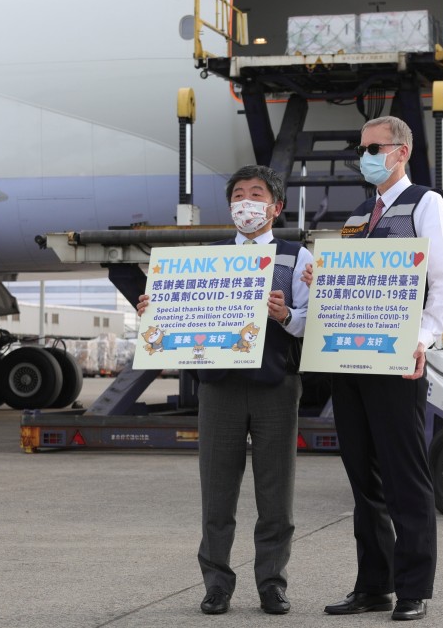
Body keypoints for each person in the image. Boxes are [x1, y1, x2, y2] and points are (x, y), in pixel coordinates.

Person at [137, 165, 312, 616]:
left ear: (276, 206)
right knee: (217, 494)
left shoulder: (297, 257)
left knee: (277, 495)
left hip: (276, 385)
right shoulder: (205, 258)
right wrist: (153, 311)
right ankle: (217, 584)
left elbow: (315, 323)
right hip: (218, 388)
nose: (246, 202)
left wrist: (285, 316)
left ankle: (272, 583)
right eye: (239, 194)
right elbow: (173, 322)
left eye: (257, 194)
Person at [303, 116, 443, 621]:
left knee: (404, 477)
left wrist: (423, 339)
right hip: (348, 362)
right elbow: (344, 288)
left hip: (396, 363)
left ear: (401, 151)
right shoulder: (356, 217)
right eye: (361, 147)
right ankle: (373, 584)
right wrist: (317, 276)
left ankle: (414, 587)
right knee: (363, 480)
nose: (364, 155)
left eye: (373, 147)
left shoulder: (425, 204)